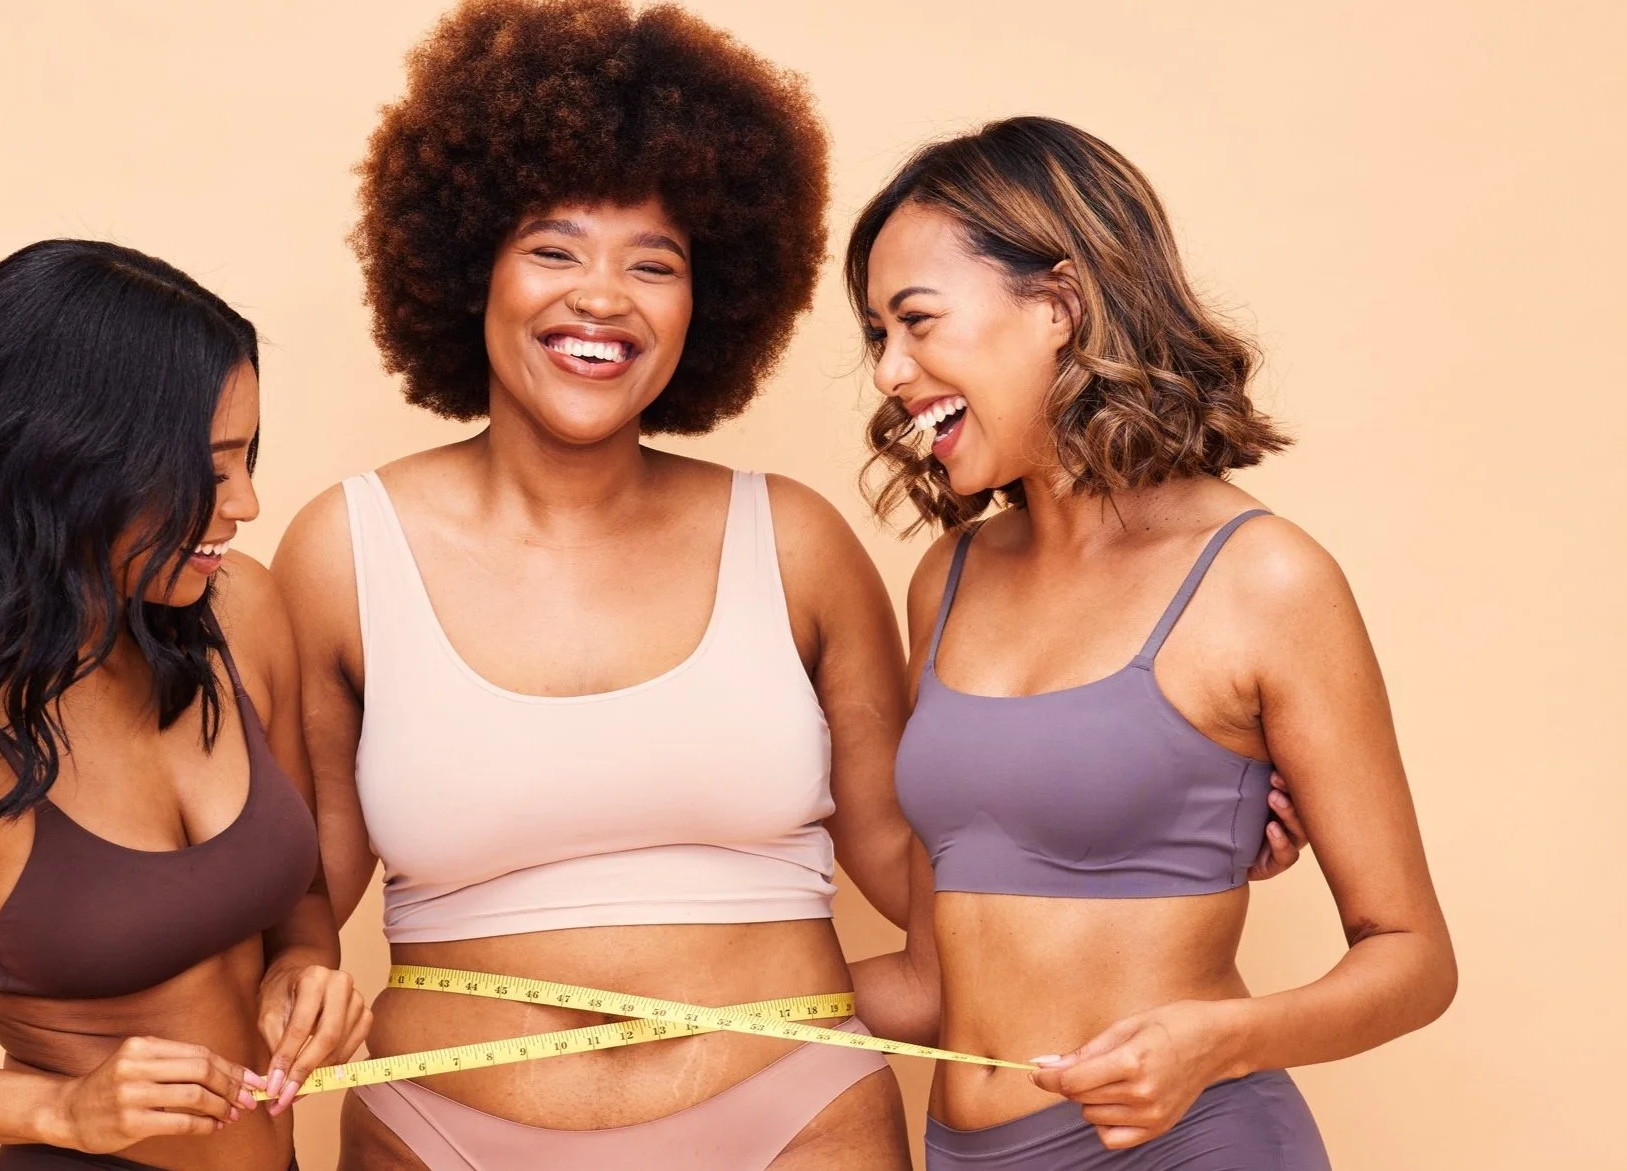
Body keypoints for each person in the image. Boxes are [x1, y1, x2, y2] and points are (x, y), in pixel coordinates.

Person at [272, 6, 1305, 1169]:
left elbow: (930, 854)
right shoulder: (341, 551)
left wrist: (1151, 814)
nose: (602, 296)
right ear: (470, 268)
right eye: (553, 251)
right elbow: (297, 879)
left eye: (652, 263)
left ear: (708, 301)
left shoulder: (795, 544)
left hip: (793, 1120)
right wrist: (284, 958)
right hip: (437, 1128)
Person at [852, 117, 1457, 1168]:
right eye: (876, 335)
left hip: (1186, 1144)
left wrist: (1217, 1040)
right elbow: (927, 980)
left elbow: (1413, 959)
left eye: (916, 321)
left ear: (1057, 305)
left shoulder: (1259, 578)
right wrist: (654, 1000)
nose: (888, 370)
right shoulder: (946, 581)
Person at [0, 240, 368, 1171]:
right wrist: (61, 1108)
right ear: (72, 462)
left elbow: (304, 894)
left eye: (247, 458)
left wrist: (303, 964)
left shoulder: (238, 611)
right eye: (211, 470)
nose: (246, 503)